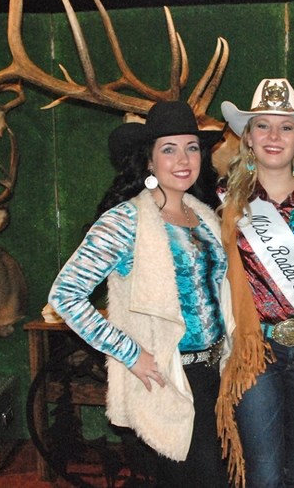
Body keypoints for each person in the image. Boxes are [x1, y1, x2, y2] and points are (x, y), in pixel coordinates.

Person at [48, 100, 232, 487]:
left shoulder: (205, 214)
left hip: (216, 375)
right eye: (169, 149)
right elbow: (66, 295)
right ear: (149, 160)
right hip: (167, 378)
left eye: (192, 147)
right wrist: (130, 354)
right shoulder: (125, 220)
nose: (183, 159)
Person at [215, 78, 294, 488]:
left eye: (286, 127)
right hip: (255, 351)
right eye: (262, 126)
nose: (273, 136)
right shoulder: (223, 204)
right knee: (264, 473)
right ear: (247, 137)